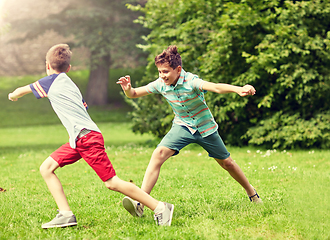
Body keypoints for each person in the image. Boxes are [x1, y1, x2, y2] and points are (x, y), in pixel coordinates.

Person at [8, 44, 174, 228]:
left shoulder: (50, 81)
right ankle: (65, 215)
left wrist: (13, 95)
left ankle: (160, 207)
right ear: (69, 68)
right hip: (79, 139)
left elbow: (23, 90)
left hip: (86, 139)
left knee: (112, 182)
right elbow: (83, 107)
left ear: (47, 66)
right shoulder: (71, 85)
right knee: (46, 168)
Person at [117, 45, 262, 218]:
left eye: (165, 72)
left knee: (227, 163)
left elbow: (215, 87)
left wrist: (238, 89)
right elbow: (134, 93)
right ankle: (140, 203)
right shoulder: (161, 84)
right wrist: (127, 89)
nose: (162, 76)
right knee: (158, 154)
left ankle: (251, 192)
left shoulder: (191, 81)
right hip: (182, 126)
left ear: (178, 70)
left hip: (205, 128)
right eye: (159, 72)